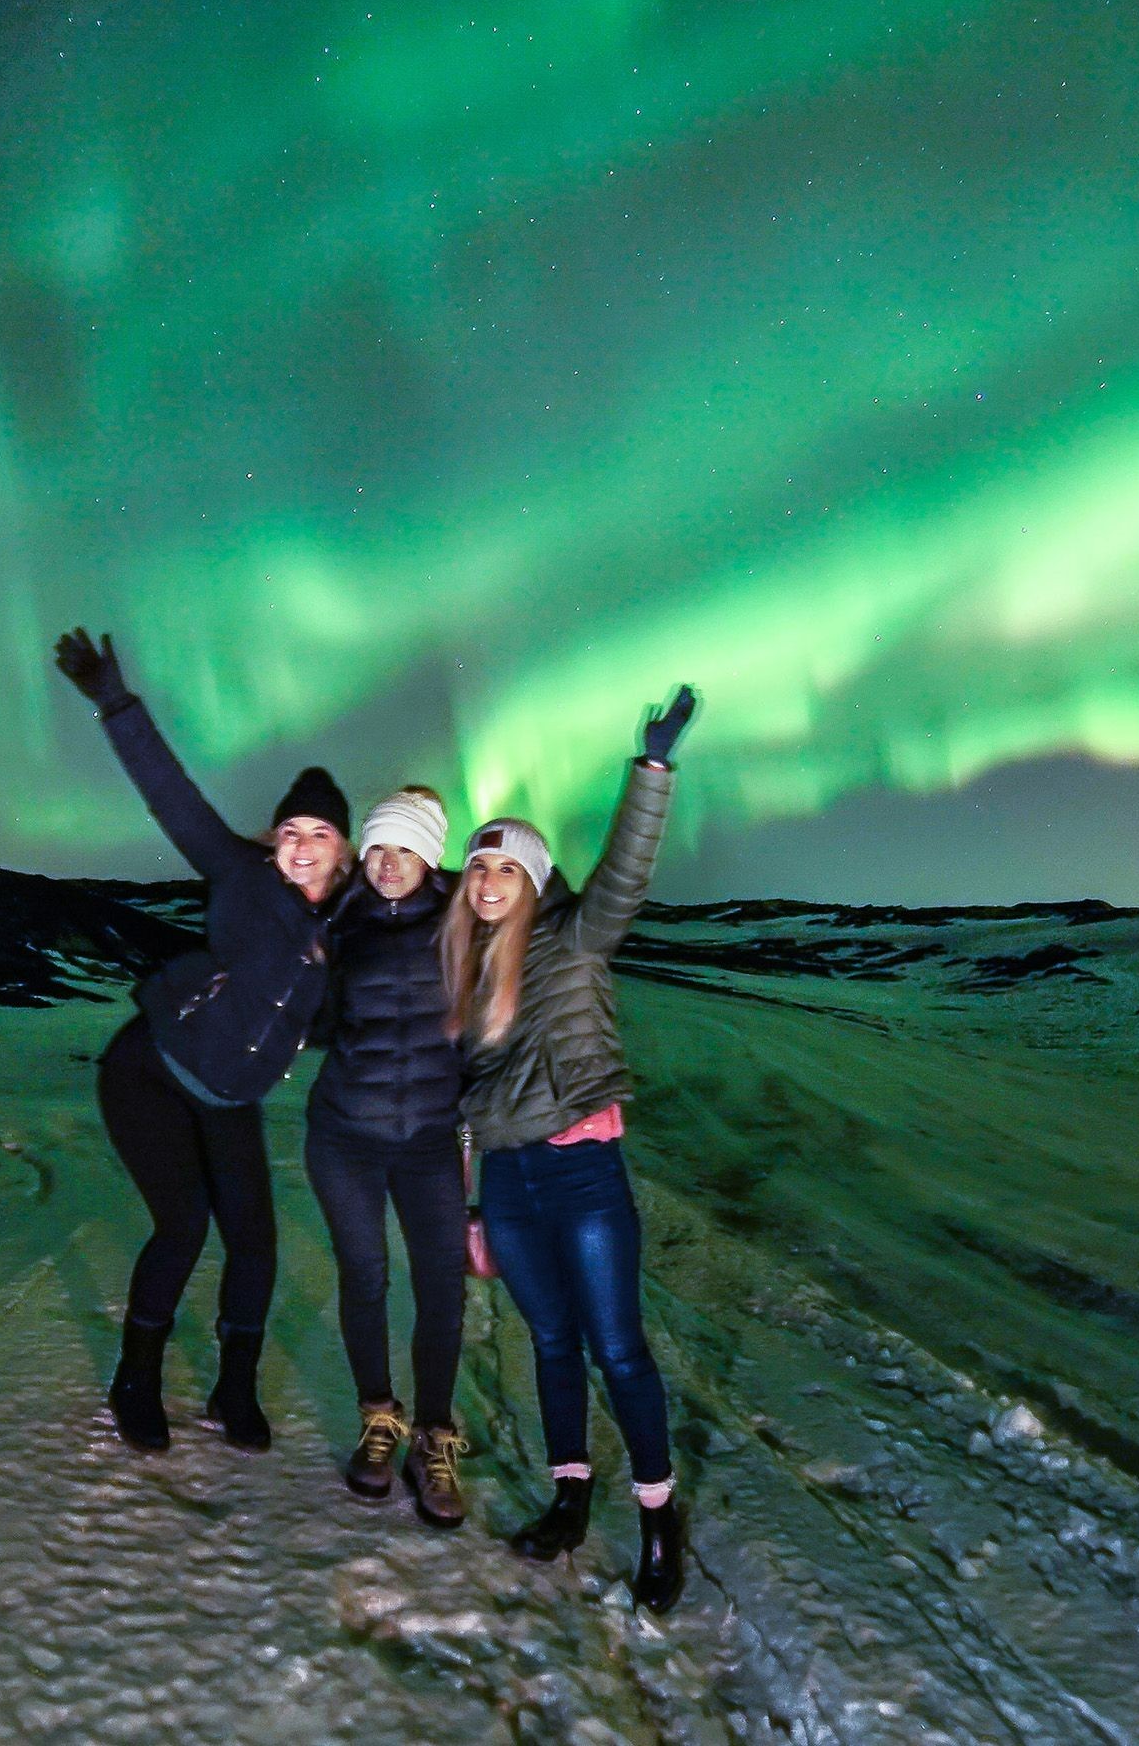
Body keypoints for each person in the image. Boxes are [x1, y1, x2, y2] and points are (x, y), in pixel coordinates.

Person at [53, 627, 351, 1455]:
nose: (296, 844)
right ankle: (135, 1379)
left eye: (316, 834)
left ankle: (234, 1391)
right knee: (183, 1227)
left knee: (255, 1238)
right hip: (151, 1072)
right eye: (288, 829)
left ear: (343, 852)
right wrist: (116, 702)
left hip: (229, 1099)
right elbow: (171, 794)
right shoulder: (239, 877)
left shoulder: (343, 939)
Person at [444, 684, 699, 1613]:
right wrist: (473, 1201)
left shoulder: (579, 939)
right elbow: (466, 1102)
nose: (485, 883)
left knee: (617, 1348)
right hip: (508, 1180)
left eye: (503, 870)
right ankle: (569, 1498)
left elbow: (626, 872)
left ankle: (659, 1517)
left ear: (536, 879)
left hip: (583, 1172)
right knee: (549, 1341)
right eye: (475, 871)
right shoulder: (467, 975)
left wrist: (653, 769)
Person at [303, 787, 473, 1526]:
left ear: (430, 855)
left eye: (405, 849)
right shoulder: (337, 923)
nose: (388, 863)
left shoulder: (468, 919)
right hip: (345, 1134)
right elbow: (310, 1021)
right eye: (377, 848)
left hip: (432, 1139)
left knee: (442, 1286)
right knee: (364, 1275)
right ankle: (380, 1419)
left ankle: (434, 1435)